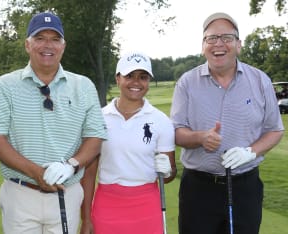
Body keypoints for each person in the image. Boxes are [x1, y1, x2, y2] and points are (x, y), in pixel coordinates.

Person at [0, 11, 107, 234]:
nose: (47, 45)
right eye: (40, 38)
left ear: (63, 46)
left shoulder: (83, 86)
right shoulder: (4, 86)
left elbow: (95, 137)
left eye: (54, 39)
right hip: (20, 194)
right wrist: (36, 172)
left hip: (66, 193)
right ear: (27, 45)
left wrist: (71, 165)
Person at [170, 12, 284, 234]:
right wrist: (200, 138)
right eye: (211, 38)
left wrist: (251, 152)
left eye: (227, 37)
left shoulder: (260, 80)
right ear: (203, 46)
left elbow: (275, 130)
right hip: (198, 189)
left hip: (245, 187)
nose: (218, 44)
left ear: (239, 45)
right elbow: (176, 131)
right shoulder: (186, 83)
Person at [80, 51, 177, 234]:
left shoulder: (161, 121)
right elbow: (89, 173)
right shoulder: (99, 118)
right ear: (118, 79)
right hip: (107, 203)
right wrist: (86, 219)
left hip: (147, 205)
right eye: (129, 76)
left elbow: (170, 173)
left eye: (143, 77)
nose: (136, 82)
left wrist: (167, 171)